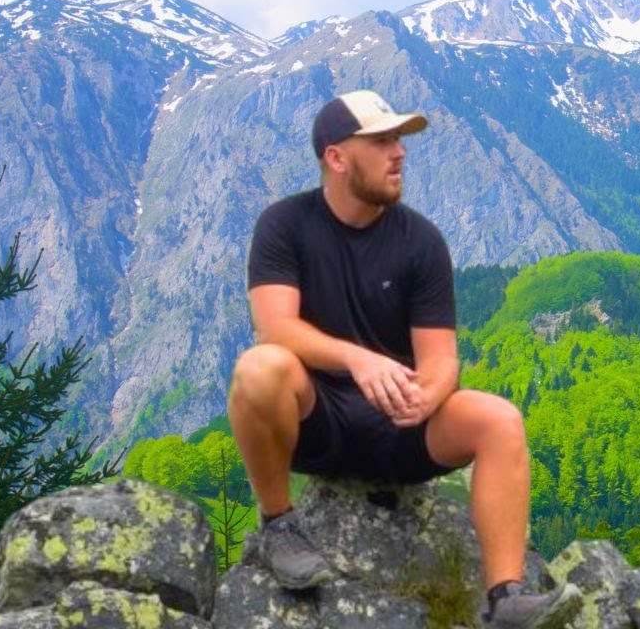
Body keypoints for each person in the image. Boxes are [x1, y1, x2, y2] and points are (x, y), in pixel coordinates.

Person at [228, 89, 581, 628]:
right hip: (315, 420)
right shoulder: (285, 225)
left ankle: (505, 597)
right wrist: (359, 360)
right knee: (259, 368)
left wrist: (429, 396)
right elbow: (274, 328)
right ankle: (279, 525)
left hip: (399, 425)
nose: (400, 153)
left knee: (500, 420)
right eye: (382, 140)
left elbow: (441, 360)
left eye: (399, 139)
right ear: (337, 158)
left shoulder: (421, 241)